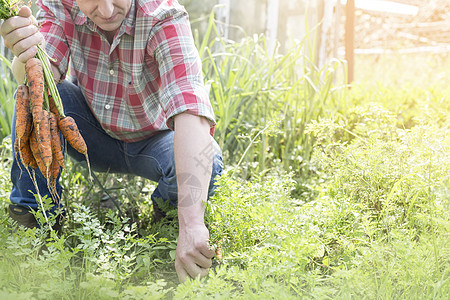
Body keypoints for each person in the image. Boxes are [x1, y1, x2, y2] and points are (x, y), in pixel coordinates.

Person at [0, 0, 223, 283]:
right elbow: (38, 78)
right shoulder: (61, 4)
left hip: (153, 143)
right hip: (88, 130)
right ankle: (34, 218)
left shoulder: (163, 17)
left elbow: (190, 109)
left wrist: (192, 224)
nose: (105, 11)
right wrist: (25, 53)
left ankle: (164, 223)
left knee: (209, 158)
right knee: (34, 98)